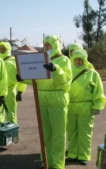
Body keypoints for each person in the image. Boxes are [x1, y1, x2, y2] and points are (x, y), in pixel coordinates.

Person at [17, 35, 72, 169]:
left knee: (58, 135)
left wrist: (56, 69)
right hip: (42, 100)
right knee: (45, 134)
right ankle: (46, 162)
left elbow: (66, 80)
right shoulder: (41, 59)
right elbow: (37, 80)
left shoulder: (64, 60)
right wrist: (22, 78)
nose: (46, 47)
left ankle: (57, 165)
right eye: (45, 44)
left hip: (57, 101)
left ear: (56, 45)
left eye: (49, 44)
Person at [65, 49, 106, 165]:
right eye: (76, 59)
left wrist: (97, 106)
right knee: (72, 132)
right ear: (72, 60)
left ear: (85, 60)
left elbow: (98, 91)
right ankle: (73, 154)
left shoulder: (93, 74)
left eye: (80, 59)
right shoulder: (68, 72)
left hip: (86, 107)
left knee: (85, 133)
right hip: (70, 107)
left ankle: (84, 155)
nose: (78, 61)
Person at [0, 41, 27, 124]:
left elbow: (21, 76)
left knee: (11, 113)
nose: (2, 50)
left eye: (4, 48)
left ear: (8, 49)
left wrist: (20, 91)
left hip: (11, 90)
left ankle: (13, 134)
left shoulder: (14, 60)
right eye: (1, 48)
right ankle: (0, 134)